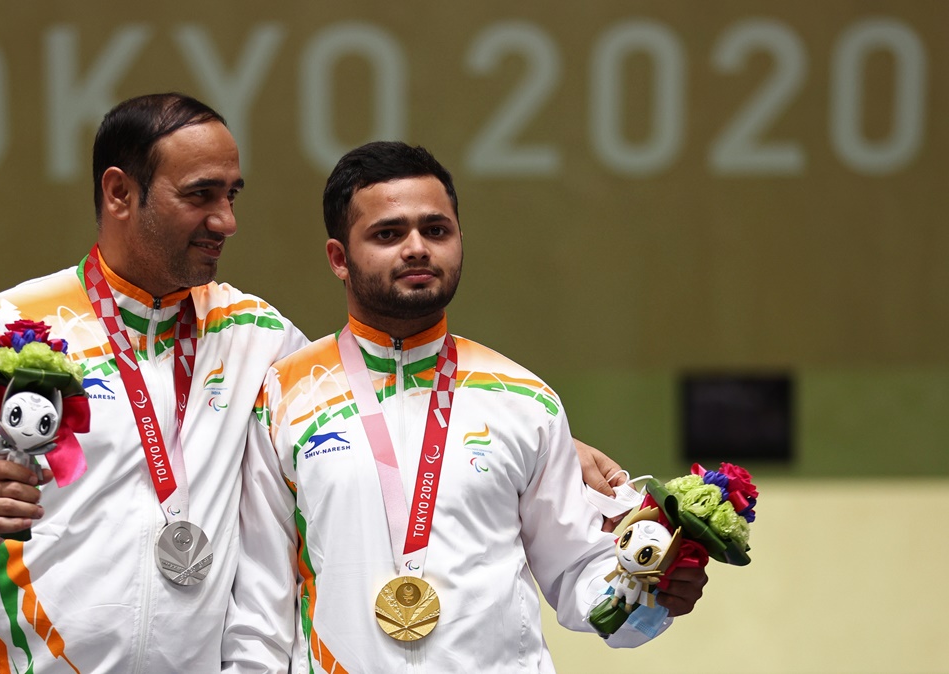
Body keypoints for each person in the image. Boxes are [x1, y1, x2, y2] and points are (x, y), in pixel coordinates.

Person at [0, 92, 628, 673]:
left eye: (233, 194)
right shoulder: (8, 331)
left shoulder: (256, 338)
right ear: (118, 193)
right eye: (201, 195)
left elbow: (375, 398)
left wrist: (548, 443)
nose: (227, 220)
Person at [222, 141, 707, 673]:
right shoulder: (282, 397)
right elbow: (259, 614)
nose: (417, 248)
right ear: (339, 258)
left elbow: (577, 576)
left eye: (436, 230)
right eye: (388, 233)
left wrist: (650, 590)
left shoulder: (524, 400)